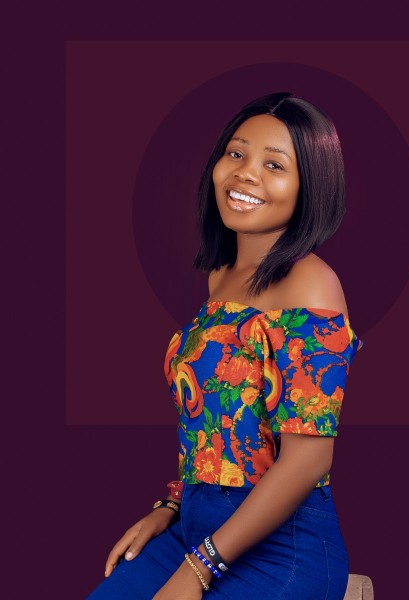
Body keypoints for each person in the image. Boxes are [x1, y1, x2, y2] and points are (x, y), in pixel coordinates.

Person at [86, 91, 364, 600]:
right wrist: (170, 507)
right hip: (195, 529)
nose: (245, 173)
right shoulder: (221, 278)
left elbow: (309, 459)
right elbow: (216, 420)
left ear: (311, 187)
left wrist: (199, 569)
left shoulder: (312, 284)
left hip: (283, 546)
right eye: (236, 153)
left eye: (274, 164)